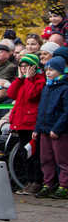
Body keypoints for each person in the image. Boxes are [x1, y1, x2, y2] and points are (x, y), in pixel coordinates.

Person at [8, 54, 45, 194]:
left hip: (31, 124)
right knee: (25, 154)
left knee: (34, 155)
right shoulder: (23, 80)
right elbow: (11, 93)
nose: (24, 69)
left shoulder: (39, 81)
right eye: (21, 66)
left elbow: (32, 95)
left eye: (27, 66)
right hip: (21, 124)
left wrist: (29, 79)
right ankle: (28, 181)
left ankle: (36, 181)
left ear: (34, 67)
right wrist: (19, 79)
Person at [33, 56, 68, 199]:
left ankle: (64, 185)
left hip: (59, 131)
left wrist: (57, 128)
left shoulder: (65, 88)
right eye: (46, 69)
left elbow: (66, 112)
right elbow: (41, 110)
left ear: (60, 71)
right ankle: (48, 183)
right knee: (45, 158)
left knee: (62, 160)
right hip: (44, 129)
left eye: (51, 70)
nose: (48, 72)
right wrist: (37, 128)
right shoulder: (47, 87)